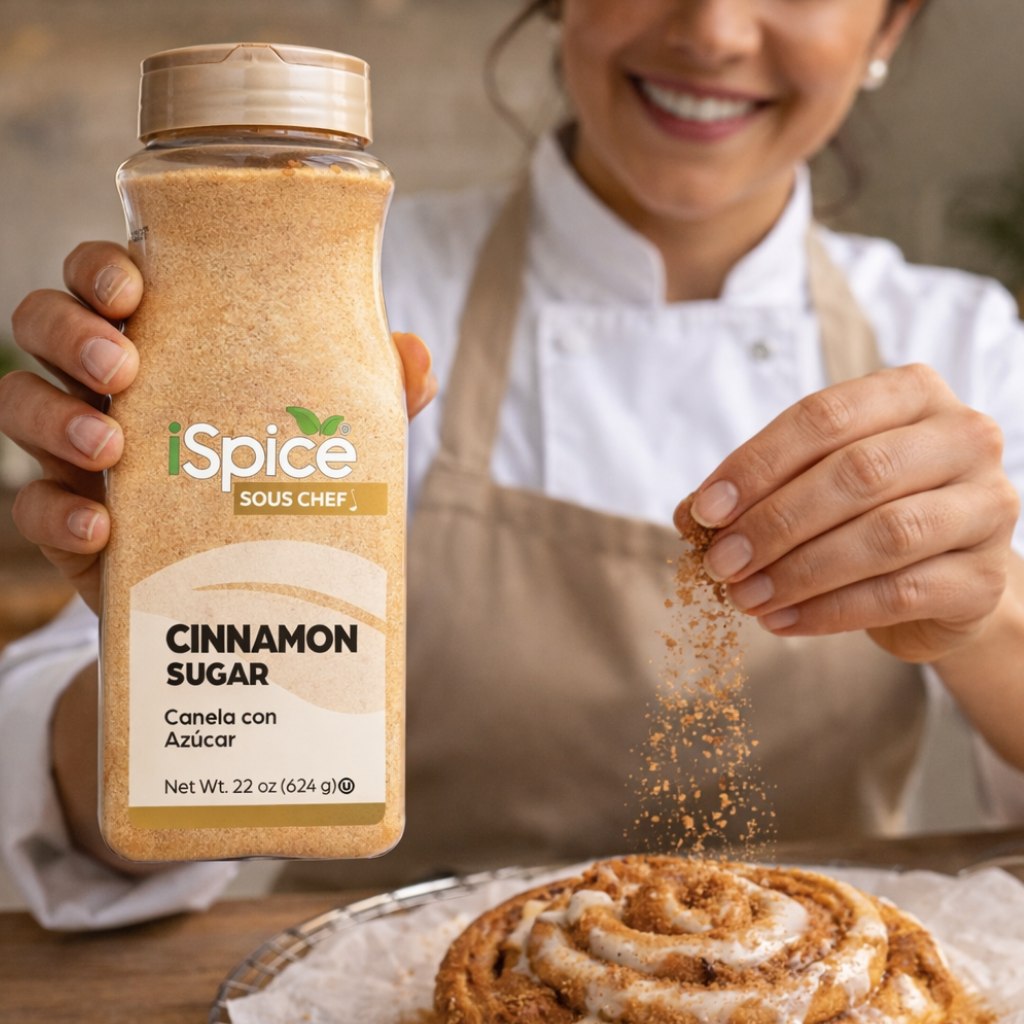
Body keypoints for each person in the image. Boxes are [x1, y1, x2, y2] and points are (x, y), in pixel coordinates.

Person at [2, 0, 1023, 930]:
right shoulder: (331, 288)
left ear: (889, 28)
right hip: (395, 987)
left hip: (828, 979)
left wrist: (985, 619)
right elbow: (61, 806)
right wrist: (157, 653)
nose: (713, 30)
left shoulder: (961, 344)